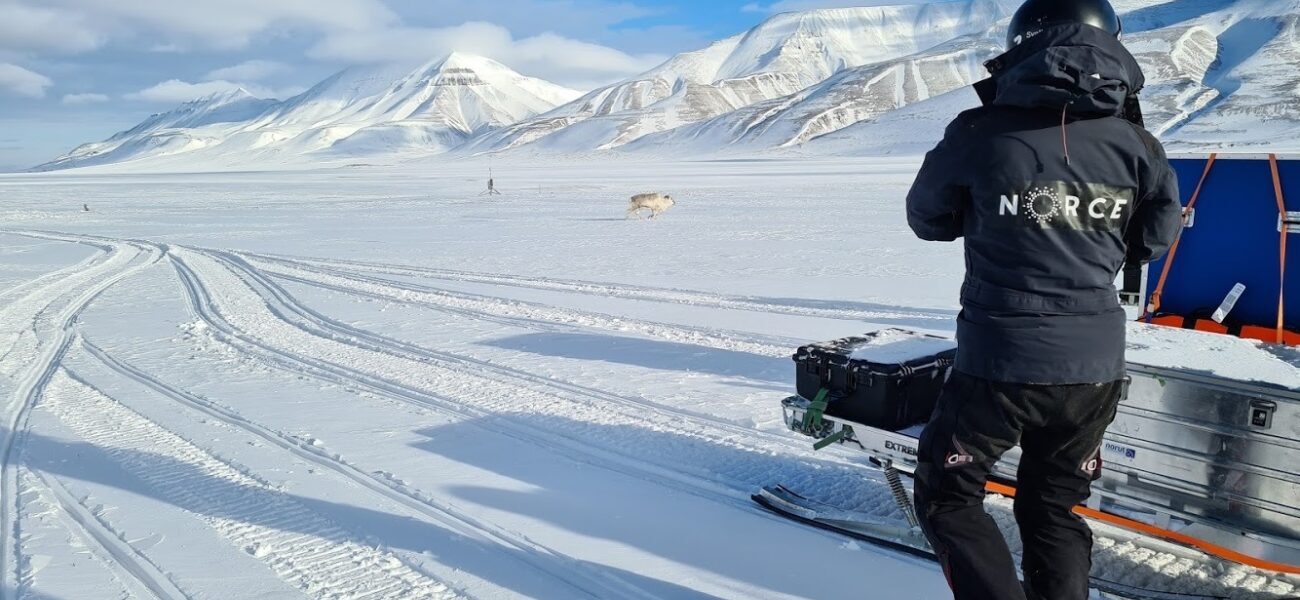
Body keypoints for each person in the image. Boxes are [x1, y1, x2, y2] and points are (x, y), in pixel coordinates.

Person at [904, 1, 1184, 599]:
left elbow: (927, 217)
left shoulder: (979, 131)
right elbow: (1154, 241)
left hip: (999, 363)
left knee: (948, 494)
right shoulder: (1139, 143)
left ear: (1022, 42)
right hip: (1094, 369)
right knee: (1053, 507)